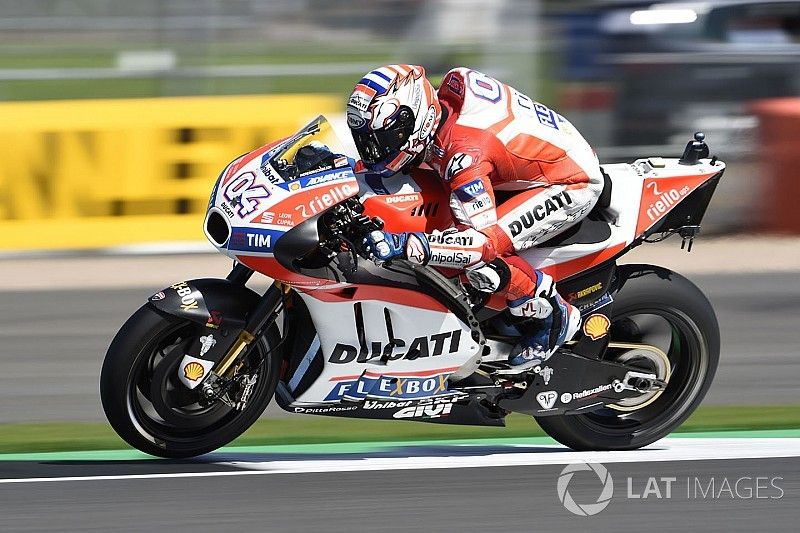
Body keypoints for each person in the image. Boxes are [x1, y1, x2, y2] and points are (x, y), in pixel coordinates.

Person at [347, 64, 604, 370]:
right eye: (366, 141)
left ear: (414, 120)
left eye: (386, 139)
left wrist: (404, 245)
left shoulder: (463, 158)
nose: (375, 152)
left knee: (479, 263)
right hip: (535, 156)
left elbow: (478, 245)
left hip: (569, 182)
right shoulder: (446, 97)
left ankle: (552, 315)